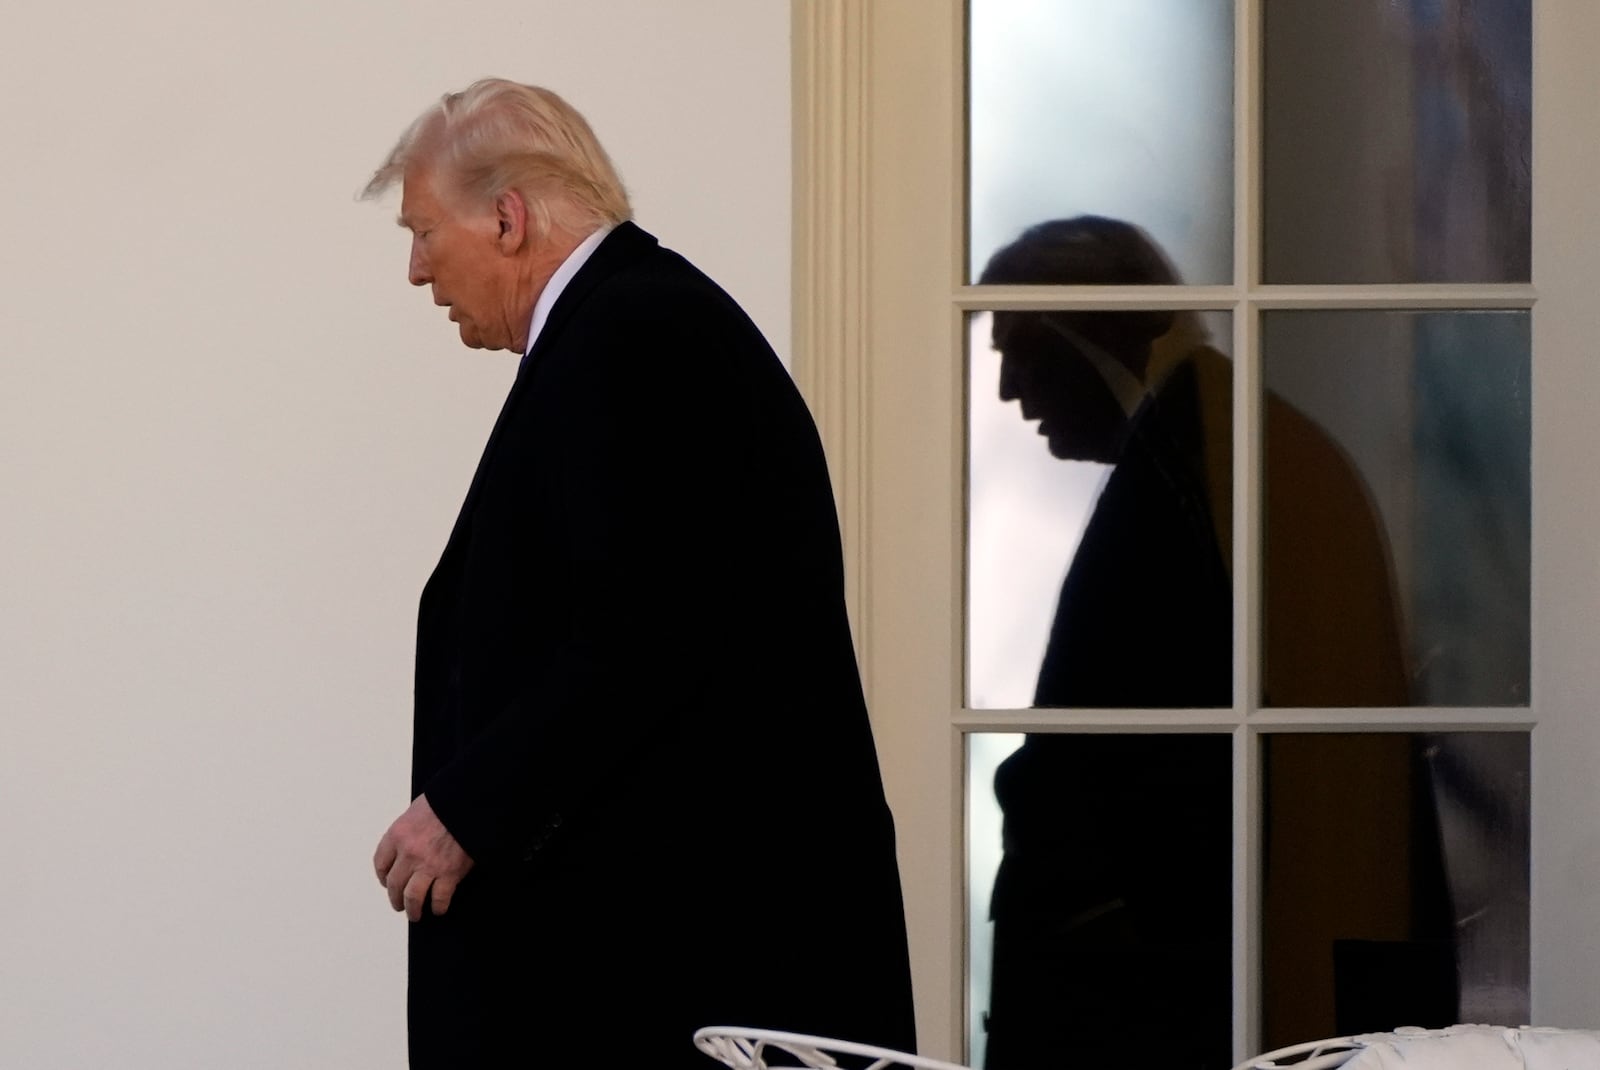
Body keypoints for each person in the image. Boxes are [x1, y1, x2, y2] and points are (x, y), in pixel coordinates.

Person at [362, 78, 915, 1068]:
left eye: (422, 230)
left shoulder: (638, 336)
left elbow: (646, 632)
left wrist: (465, 808)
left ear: (507, 216)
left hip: (670, 975)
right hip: (664, 959)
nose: (414, 271)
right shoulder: (634, 327)